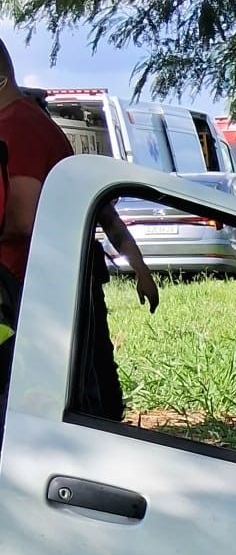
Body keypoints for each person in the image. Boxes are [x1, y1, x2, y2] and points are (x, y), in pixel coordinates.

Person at [0, 37, 158, 418]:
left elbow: (21, 219)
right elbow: (101, 209)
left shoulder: (15, 126)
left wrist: (137, 265)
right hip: (57, 289)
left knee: (35, 405)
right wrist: (138, 265)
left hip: (22, 292)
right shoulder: (38, 125)